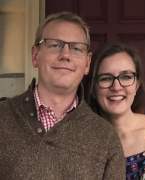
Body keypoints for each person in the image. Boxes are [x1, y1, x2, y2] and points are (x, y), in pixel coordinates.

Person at [0, 12, 126, 179]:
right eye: (54, 45)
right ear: (35, 55)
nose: (65, 55)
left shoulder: (106, 137)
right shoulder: (3, 118)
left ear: (87, 63)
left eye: (76, 48)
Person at [83, 41, 145, 179]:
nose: (116, 87)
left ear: (137, 84)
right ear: (93, 88)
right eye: (106, 78)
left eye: (126, 77)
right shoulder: (78, 142)